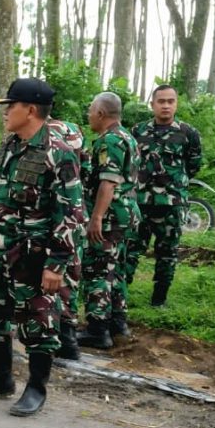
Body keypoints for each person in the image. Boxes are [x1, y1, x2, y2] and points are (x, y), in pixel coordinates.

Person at [0, 78, 83, 417]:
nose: (5, 112)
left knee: (39, 323)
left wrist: (57, 264)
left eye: (10, 106)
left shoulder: (58, 152)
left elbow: (71, 213)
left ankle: (35, 389)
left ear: (30, 110)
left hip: (34, 255)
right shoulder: (10, 146)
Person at [127, 85, 202, 308]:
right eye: (161, 101)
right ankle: (119, 295)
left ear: (176, 104)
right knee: (130, 250)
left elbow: (193, 165)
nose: (166, 106)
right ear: (153, 104)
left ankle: (159, 300)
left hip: (171, 204)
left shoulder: (188, 133)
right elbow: (129, 163)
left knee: (167, 254)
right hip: (140, 203)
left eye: (171, 101)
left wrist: (173, 184)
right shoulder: (137, 131)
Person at [77, 92, 141, 349]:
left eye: (91, 111)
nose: (89, 116)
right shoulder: (128, 137)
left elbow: (108, 182)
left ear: (101, 113)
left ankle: (97, 329)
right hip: (125, 214)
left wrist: (96, 217)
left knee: (98, 270)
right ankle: (118, 324)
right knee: (116, 270)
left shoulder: (109, 141)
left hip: (110, 216)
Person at [46, 117, 88, 361]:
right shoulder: (73, 129)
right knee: (71, 275)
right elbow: (87, 168)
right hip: (76, 208)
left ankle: (62, 339)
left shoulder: (46, 135)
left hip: (57, 215)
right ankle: (68, 338)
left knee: (55, 277)